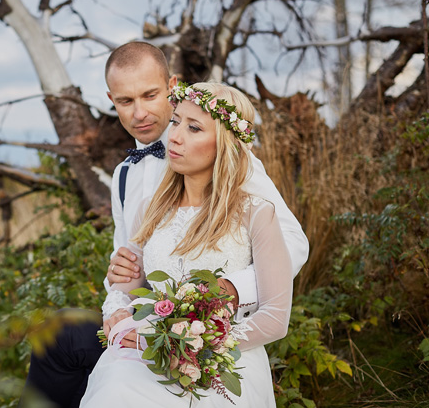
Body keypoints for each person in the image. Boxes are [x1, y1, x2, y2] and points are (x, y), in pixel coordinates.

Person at [19, 42, 308, 407]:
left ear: (172, 86)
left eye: (150, 95)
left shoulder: (230, 160)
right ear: (111, 100)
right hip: (143, 328)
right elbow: (125, 263)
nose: (139, 113)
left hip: (205, 336)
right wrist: (117, 308)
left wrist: (221, 292)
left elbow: (294, 244)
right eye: (125, 101)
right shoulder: (125, 176)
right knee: (58, 334)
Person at [79, 82, 292, 407]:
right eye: (176, 121)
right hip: (146, 353)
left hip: (222, 362)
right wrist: (119, 309)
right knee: (115, 391)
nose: (174, 136)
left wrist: (200, 345)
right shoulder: (149, 209)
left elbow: (276, 317)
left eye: (193, 128)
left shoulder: (255, 213)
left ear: (224, 143)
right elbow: (127, 285)